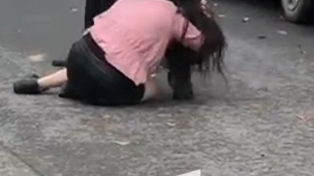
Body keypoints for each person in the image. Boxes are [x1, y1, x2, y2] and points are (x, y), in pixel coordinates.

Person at [12, 0, 226, 106]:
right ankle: (84, 90)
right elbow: (203, 43)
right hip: (113, 81)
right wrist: (205, 16)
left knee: (102, 54)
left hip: (80, 53)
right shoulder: (177, 19)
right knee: (152, 86)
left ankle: (41, 83)